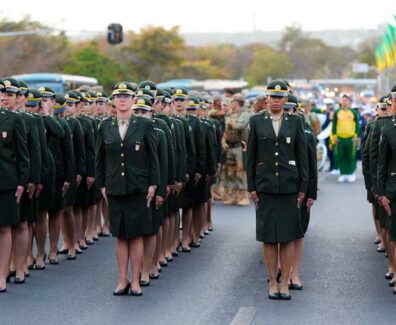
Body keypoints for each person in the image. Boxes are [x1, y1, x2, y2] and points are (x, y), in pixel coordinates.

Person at [246, 80, 308, 300]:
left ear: (286, 99)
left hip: (289, 187)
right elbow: (250, 157)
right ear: (267, 98)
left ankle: (285, 282)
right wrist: (251, 187)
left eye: (280, 97)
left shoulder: (295, 121)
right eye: (272, 97)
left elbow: (302, 157)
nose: (276, 101)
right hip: (266, 188)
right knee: (269, 238)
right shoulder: (256, 121)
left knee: (288, 237)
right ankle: (272, 281)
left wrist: (303, 187)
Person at [96, 82, 159, 296]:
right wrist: (102, 185)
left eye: (126, 96)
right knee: (120, 235)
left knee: (137, 235)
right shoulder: (105, 125)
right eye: (118, 96)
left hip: (138, 187)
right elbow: (100, 159)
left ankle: (136, 280)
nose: (122, 100)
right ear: (113, 101)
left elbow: (153, 158)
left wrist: (153, 184)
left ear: (133, 100)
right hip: (115, 187)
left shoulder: (144, 125)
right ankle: (122, 279)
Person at [0, 78, 29, 293]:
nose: (3, 97)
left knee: (4, 227)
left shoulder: (14, 120)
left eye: (8, 94)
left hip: (6, 182)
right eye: (2, 94)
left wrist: (21, 182)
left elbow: (22, 154)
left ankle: (2, 274)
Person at [377, 85, 396, 294]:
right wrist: (380, 193)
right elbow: (381, 164)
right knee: (395, 235)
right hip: (394, 190)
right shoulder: (388, 130)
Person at [222, 94, 251, 206]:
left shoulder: (245, 114)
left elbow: (239, 126)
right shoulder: (231, 114)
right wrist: (223, 141)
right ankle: (234, 196)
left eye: (232, 101)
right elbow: (226, 130)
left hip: (239, 146)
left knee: (240, 172)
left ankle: (244, 196)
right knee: (230, 172)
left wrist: (231, 121)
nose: (230, 103)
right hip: (229, 146)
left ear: (237, 103)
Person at [331, 94, 360, 183]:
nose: (344, 101)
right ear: (340, 101)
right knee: (341, 156)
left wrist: (356, 136)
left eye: (346, 100)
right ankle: (343, 174)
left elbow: (358, 125)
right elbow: (334, 125)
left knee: (351, 156)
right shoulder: (337, 112)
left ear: (349, 102)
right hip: (340, 138)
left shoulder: (353, 112)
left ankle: (351, 173)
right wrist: (334, 136)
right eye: (342, 100)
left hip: (351, 138)